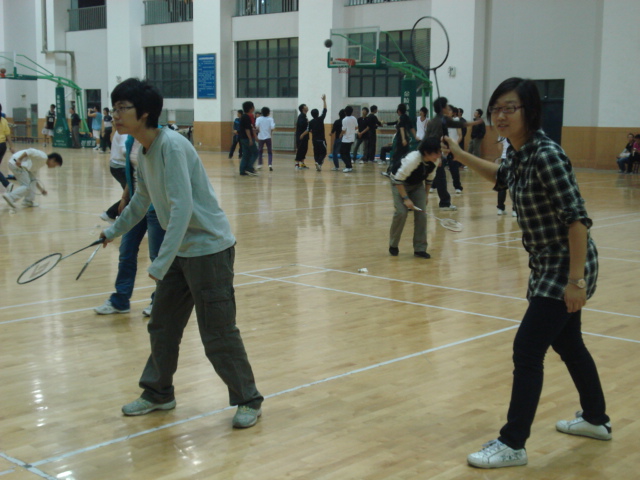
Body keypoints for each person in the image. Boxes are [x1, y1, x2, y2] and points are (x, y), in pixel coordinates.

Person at [442, 77, 611, 469]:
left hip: (565, 265)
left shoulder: (546, 155)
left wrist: (576, 281)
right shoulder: (519, 152)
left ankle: (512, 443)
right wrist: (460, 154)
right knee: (569, 344)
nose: (500, 116)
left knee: (527, 349)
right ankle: (595, 419)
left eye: (510, 108)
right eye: (496, 108)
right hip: (546, 263)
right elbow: (501, 177)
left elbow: (577, 220)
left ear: (529, 111)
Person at [101, 78, 263, 426]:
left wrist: (160, 262)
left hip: (208, 250)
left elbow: (181, 208)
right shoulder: (143, 149)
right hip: (180, 251)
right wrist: (112, 231)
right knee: (162, 326)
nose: (115, 114)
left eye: (122, 108)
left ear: (145, 113)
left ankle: (248, 399)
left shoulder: (171, 147)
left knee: (218, 333)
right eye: (114, 108)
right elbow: (141, 200)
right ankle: (158, 393)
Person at [95, 134, 165, 317]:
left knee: (157, 257)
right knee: (126, 251)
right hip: (137, 203)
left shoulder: (159, 140)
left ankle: (160, 301)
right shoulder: (130, 141)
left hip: (157, 207)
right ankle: (120, 300)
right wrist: (125, 196)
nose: (116, 119)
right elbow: (136, 173)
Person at [388, 137, 440, 260]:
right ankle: (393, 244)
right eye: (436, 152)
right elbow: (398, 180)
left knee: (422, 215)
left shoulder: (435, 161)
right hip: (399, 183)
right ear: (426, 152)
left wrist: (426, 195)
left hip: (417, 185)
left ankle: (420, 249)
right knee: (401, 213)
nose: (438, 155)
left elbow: (429, 179)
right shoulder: (413, 160)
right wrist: (406, 198)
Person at [425, 97, 480, 208]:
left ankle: (444, 202)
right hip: (429, 152)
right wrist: (438, 156)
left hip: (432, 152)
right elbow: (433, 140)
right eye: (446, 106)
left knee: (438, 176)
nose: (448, 108)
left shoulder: (440, 120)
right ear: (443, 108)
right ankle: (443, 203)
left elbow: (458, 124)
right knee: (437, 177)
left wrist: (474, 123)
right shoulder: (438, 121)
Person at [100, 131, 129, 223]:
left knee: (132, 195)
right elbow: (124, 150)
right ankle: (111, 214)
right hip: (120, 166)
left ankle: (116, 216)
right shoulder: (125, 131)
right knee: (134, 194)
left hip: (120, 166)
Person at [495, 136, 516, 217]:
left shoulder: (501, 134)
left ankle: (500, 209)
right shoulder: (516, 132)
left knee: (502, 184)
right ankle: (515, 210)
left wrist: (501, 157)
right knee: (514, 185)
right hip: (514, 158)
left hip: (504, 158)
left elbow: (499, 148)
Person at [308, 94, 328, 171]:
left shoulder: (311, 122)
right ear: (318, 113)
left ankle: (317, 164)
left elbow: (309, 130)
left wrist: (313, 131)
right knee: (324, 153)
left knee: (316, 153)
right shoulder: (320, 119)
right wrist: (324, 101)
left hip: (314, 140)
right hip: (321, 139)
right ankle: (318, 163)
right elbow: (325, 110)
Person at [238, 101, 258, 176]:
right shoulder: (247, 117)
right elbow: (247, 129)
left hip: (242, 138)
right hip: (247, 138)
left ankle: (242, 170)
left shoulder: (243, 116)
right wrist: (250, 139)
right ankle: (249, 167)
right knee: (255, 153)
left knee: (246, 154)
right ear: (251, 108)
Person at [0, 103, 16, 190]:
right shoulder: (3, 120)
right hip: (3, 146)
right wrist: (11, 146)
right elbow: (8, 134)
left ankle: (7, 184)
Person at [255, 106, 276, 171]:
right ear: (268, 113)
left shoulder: (258, 119)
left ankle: (260, 164)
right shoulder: (270, 119)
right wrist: (269, 132)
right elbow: (272, 128)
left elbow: (257, 127)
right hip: (268, 137)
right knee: (269, 151)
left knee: (260, 151)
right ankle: (270, 164)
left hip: (260, 137)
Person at [340, 105, 358, 173]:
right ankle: (349, 166)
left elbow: (344, 130)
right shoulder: (354, 118)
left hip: (346, 139)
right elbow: (356, 127)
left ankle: (348, 166)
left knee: (342, 153)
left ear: (345, 112)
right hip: (352, 138)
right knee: (347, 153)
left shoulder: (344, 120)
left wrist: (340, 135)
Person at [294, 102, 310, 169]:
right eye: (305, 106)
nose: (307, 107)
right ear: (303, 109)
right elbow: (301, 125)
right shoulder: (301, 116)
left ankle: (302, 163)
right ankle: (297, 164)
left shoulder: (304, 116)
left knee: (304, 150)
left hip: (305, 136)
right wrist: (307, 123)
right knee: (300, 150)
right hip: (301, 136)